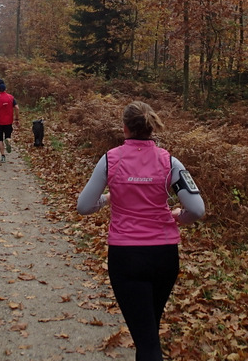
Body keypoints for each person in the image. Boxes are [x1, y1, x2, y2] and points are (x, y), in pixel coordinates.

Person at [77, 101, 205, 361]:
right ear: (151, 127)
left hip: (126, 258)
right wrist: (181, 216)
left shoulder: (110, 159)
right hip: (164, 257)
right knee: (147, 333)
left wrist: (107, 198)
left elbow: (84, 206)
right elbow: (197, 209)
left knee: (147, 342)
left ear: (124, 128)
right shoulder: (169, 161)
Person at [0, 82, 19, 163]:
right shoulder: (11, 97)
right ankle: (8, 141)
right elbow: (17, 108)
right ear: (6, 90)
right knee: (8, 136)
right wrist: (17, 119)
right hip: (9, 121)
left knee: (0, 139)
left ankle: (3, 156)